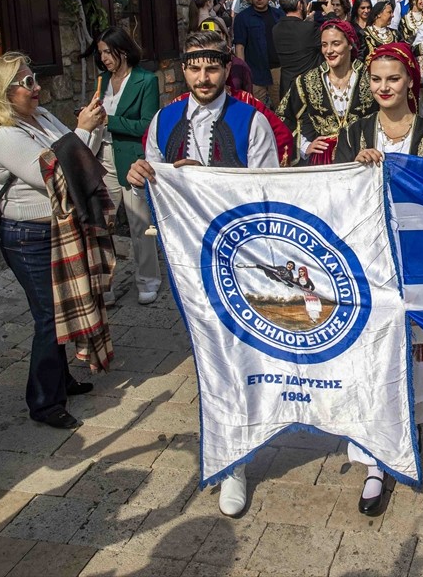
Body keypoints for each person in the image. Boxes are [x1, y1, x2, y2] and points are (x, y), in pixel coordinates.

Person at [127, 31, 279, 517]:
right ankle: (231, 454)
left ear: (225, 70)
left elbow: (266, 190)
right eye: (194, 68)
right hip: (187, 258)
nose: (203, 77)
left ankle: (235, 455)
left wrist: (205, 180)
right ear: (184, 70)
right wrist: (142, 176)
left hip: (240, 257)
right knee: (210, 353)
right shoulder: (165, 120)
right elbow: (153, 182)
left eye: (211, 68)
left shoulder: (249, 120)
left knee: (235, 352)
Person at [332, 42, 423, 515]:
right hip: (368, 260)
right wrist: (353, 169)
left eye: (394, 79)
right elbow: (337, 199)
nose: (385, 88)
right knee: (373, 356)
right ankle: (373, 462)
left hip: (418, 261)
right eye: (377, 80)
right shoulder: (355, 133)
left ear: (410, 82)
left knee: (418, 355)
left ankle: (411, 429)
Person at [0, 52, 106, 430]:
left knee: (63, 309)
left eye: (34, 78)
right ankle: (44, 401)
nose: (37, 88)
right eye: (28, 82)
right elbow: (52, 173)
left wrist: (93, 127)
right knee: (49, 317)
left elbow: (83, 156)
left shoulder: (41, 117)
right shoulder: (3, 135)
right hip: (27, 237)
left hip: (55, 227)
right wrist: (82, 130)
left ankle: (61, 380)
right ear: (4, 94)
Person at [94, 27, 160, 305]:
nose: (104, 58)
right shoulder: (102, 80)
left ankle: (148, 280)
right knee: (102, 224)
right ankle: (104, 284)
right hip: (101, 158)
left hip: (132, 158)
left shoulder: (146, 80)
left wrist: (111, 121)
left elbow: (148, 125)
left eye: (108, 52)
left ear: (123, 50)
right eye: (101, 53)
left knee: (139, 223)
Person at [277, 19, 376, 165]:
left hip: (362, 159)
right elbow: (282, 116)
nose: (329, 51)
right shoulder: (309, 80)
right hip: (323, 162)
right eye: (324, 45)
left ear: (350, 44)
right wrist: (304, 146)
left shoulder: (369, 77)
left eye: (336, 43)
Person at [231, 0, 284, 104]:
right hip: (254, 72)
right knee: (256, 110)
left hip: (277, 69)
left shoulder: (279, 15)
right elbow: (240, 46)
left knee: (281, 109)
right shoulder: (243, 18)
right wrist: (243, 72)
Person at [273, 0, 328, 96]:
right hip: (308, 88)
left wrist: (306, 22)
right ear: (300, 5)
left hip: (287, 88)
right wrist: (330, 13)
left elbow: (297, 34)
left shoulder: (276, 29)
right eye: (304, 1)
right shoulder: (310, 28)